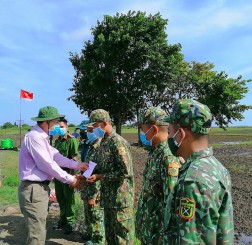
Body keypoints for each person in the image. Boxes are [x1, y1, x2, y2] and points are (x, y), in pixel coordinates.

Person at [163, 99, 234, 244]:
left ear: (181, 134)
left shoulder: (193, 181)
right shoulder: (217, 167)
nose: (168, 137)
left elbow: (190, 239)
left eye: (170, 132)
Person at [18, 106, 88, 245]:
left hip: (39, 189)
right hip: (34, 189)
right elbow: (47, 164)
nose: (57, 126)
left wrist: (77, 165)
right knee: (36, 234)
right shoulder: (35, 137)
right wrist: (71, 180)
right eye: (55, 122)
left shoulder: (42, 138)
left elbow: (57, 157)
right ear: (46, 122)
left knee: (39, 229)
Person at [86, 109, 135, 244]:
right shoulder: (103, 142)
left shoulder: (118, 142)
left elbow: (125, 172)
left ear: (104, 123)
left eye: (95, 126)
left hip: (120, 200)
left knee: (122, 238)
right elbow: (99, 166)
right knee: (110, 238)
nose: (93, 129)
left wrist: (100, 176)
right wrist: (86, 174)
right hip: (108, 199)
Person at [135, 107, 182, 245]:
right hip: (149, 231)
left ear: (154, 129)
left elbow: (171, 204)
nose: (142, 133)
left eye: (143, 129)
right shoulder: (155, 152)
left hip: (159, 235)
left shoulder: (168, 158)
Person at [80, 124, 105, 245]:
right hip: (88, 183)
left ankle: (98, 240)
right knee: (88, 212)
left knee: (96, 214)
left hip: (96, 187)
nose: (88, 132)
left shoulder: (101, 147)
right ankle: (91, 234)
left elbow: (101, 170)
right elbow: (90, 166)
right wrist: (82, 177)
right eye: (87, 130)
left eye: (91, 130)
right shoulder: (91, 145)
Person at [53, 118, 79, 234]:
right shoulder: (57, 141)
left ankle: (70, 222)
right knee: (60, 198)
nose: (60, 129)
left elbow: (74, 159)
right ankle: (62, 219)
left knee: (69, 199)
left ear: (67, 127)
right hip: (58, 174)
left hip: (68, 174)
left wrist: (72, 179)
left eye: (62, 127)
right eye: (58, 127)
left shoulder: (71, 140)